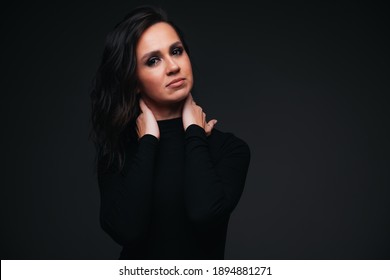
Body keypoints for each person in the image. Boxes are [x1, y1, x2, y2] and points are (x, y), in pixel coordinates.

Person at [89, 4, 251, 260]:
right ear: (133, 82)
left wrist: (194, 131)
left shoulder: (230, 149)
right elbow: (126, 230)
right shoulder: (118, 151)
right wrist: (149, 140)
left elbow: (204, 213)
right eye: (153, 60)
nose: (173, 66)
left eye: (176, 51)